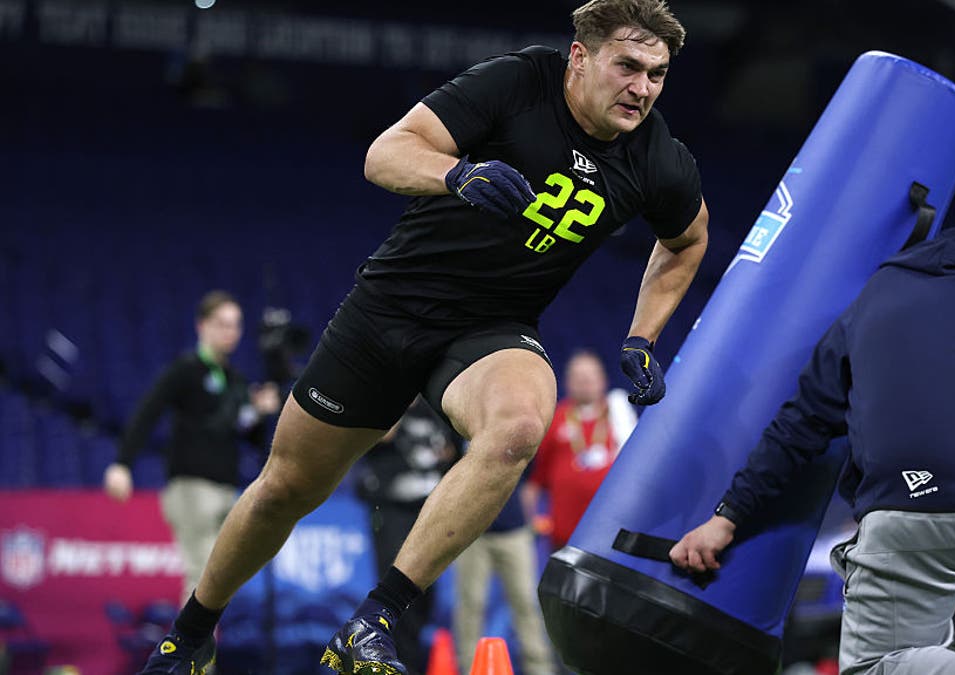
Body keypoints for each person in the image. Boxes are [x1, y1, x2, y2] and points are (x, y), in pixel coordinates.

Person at [137, 0, 706, 672]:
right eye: (629, 66)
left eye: (659, 74)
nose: (643, 88)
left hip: (492, 328)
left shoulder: (657, 157)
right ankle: (191, 634)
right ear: (579, 58)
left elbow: (688, 238)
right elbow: (385, 152)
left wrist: (643, 335)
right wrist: (456, 175)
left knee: (520, 424)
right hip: (390, 309)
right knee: (286, 486)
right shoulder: (516, 83)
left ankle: (373, 620)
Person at [671, 184, 955, 675]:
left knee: (874, 666)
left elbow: (807, 419)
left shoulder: (882, 288)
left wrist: (728, 516)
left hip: (924, 498)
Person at [104, 290, 282, 605]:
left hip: (227, 487)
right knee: (201, 577)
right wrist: (122, 463)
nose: (230, 332)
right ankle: (191, 654)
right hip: (191, 487)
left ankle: (202, 653)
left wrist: (259, 412)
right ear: (202, 326)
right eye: (222, 324)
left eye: (236, 325)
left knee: (218, 583)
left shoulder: (236, 380)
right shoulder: (186, 370)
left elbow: (249, 437)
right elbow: (148, 411)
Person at [355, 398, 463, 673]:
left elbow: (455, 450)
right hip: (391, 511)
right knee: (396, 590)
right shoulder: (384, 398)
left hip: (431, 511)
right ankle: (395, 664)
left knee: (425, 594)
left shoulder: (438, 406)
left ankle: (409, 663)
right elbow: (373, 436)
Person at [523, 349, 637, 550]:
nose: (585, 383)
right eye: (579, 378)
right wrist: (532, 521)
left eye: (590, 377)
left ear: (602, 380)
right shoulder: (555, 418)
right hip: (563, 537)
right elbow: (535, 480)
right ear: (567, 382)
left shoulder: (620, 415)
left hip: (610, 534)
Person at [453, 484, 556, 675]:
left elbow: (530, 482)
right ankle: (468, 669)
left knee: (526, 602)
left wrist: (529, 518)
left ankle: (540, 669)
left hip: (514, 531)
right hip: (472, 533)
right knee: (471, 603)